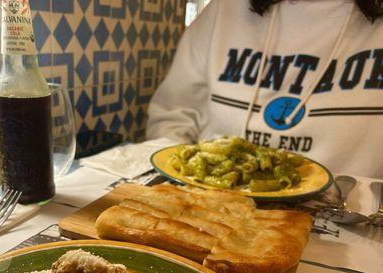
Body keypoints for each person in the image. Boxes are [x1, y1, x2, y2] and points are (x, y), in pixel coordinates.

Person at [147, 0, 383, 178]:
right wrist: (181, 179)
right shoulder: (225, 11)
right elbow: (173, 115)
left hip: (352, 226)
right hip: (214, 212)